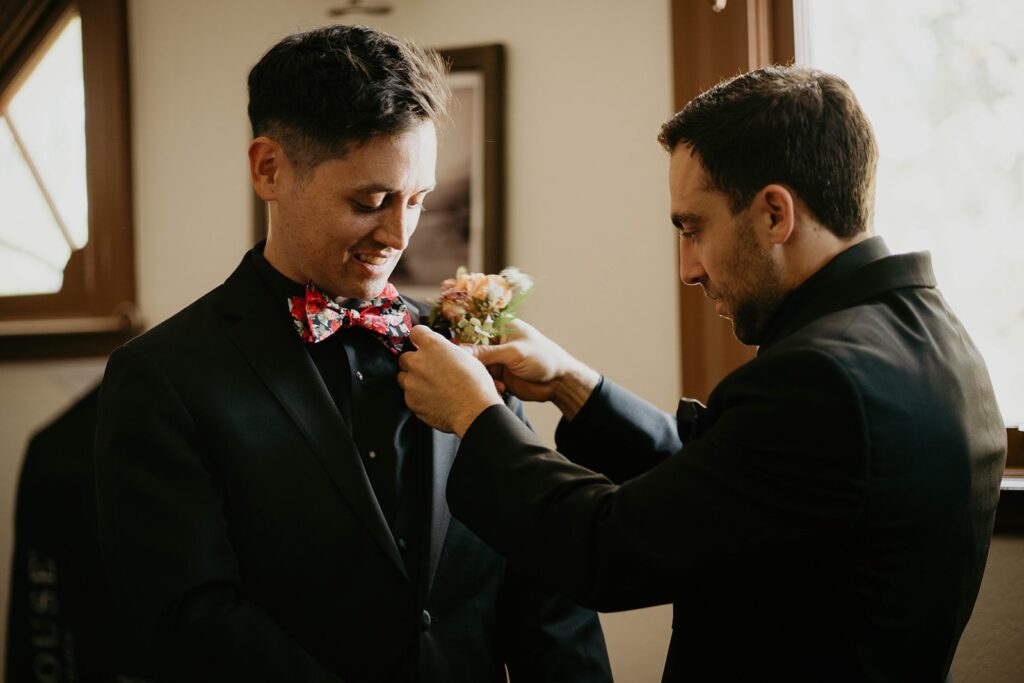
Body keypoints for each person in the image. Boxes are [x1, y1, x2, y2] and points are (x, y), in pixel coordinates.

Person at [397, 65, 1007, 681]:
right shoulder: (931, 337)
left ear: (775, 214)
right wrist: (571, 386)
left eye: (693, 229)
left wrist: (475, 417)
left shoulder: (821, 380)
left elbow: (607, 551)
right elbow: (731, 492)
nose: (689, 268)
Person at [93, 25, 610, 682]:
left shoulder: (467, 349)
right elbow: (189, 626)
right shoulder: (164, 378)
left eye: (417, 199)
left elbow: (545, 592)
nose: (398, 234)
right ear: (269, 168)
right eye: (371, 201)